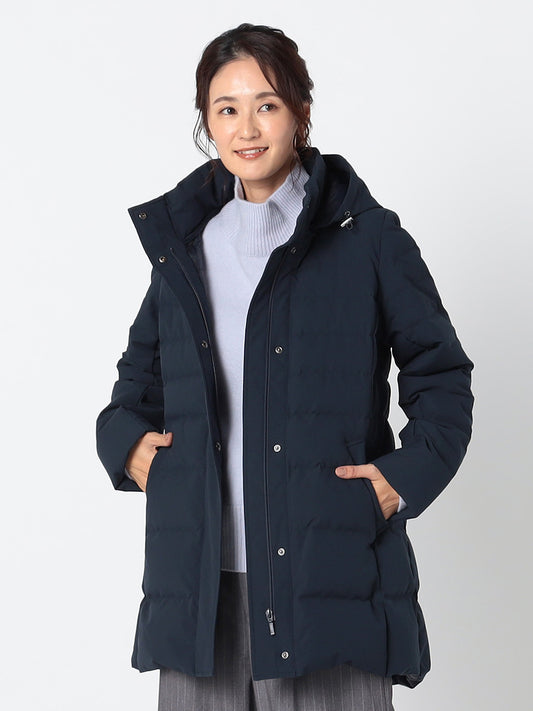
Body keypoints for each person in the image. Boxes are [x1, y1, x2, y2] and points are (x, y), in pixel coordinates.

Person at [95, 22, 474, 711]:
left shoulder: (368, 238)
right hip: (200, 590)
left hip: (326, 583)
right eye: (226, 109)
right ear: (207, 122)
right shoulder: (184, 250)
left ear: (301, 111)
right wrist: (127, 446)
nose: (246, 129)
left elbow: (441, 375)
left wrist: (398, 480)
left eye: (265, 104)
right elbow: (135, 386)